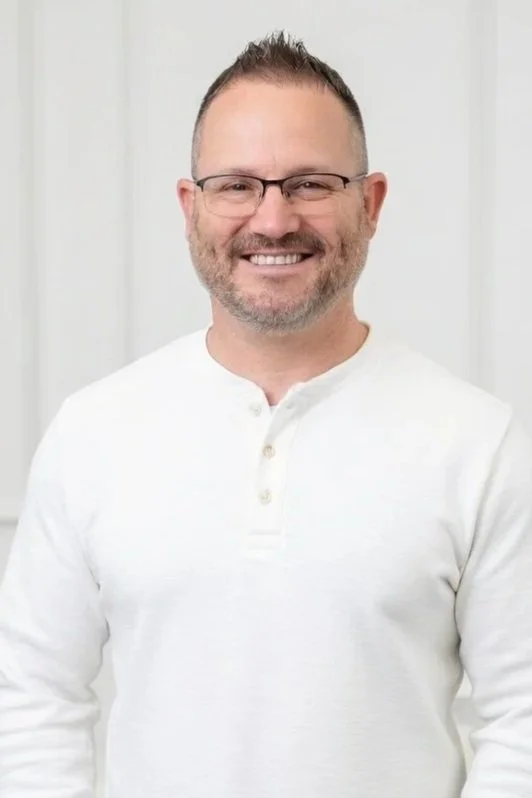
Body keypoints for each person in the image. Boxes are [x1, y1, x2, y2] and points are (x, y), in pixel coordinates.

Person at [0, 30, 531, 798]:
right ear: (191, 207)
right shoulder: (94, 436)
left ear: (371, 203)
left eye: (311, 183)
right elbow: (30, 699)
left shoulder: (478, 444)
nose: (274, 221)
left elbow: (521, 717)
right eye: (237, 185)